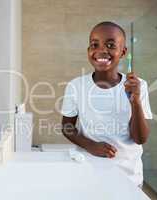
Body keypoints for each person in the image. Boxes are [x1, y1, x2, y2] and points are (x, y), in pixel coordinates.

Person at [61, 21, 152, 187]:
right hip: (89, 175)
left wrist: (136, 101)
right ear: (89, 51)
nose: (102, 50)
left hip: (129, 178)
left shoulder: (139, 86)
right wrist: (90, 146)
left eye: (110, 45)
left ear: (123, 52)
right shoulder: (76, 86)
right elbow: (67, 127)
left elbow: (140, 138)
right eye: (94, 45)